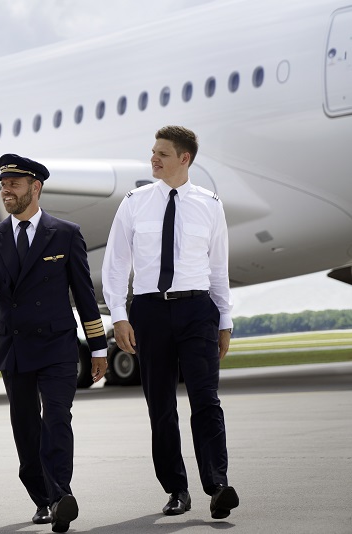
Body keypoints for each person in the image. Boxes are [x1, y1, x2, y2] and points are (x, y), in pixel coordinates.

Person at [0, 154, 108, 534]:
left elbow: (84, 293)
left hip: (58, 345)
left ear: (35, 187)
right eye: (3, 183)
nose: (5, 190)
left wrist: (97, 347)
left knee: (58, 418)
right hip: (15, 347)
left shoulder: (65, 233)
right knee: (26, 427)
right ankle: (42, 498)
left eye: (13, 183)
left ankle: (61, 495)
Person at [101, 125, 239, 520]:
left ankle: (218, 485)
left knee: (206, 401)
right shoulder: (133, 202)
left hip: (198, 311)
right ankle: (177, 489)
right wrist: (121, 315)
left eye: (162, 153)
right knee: (160, 405)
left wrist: (224, 321)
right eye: (152, 151)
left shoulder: (210, 205)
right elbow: (115, 267)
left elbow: (218, 271)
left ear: (185, 158)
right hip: (150, 312)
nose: (153, 158)